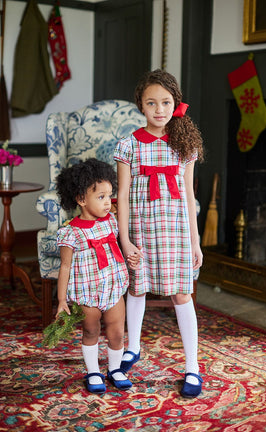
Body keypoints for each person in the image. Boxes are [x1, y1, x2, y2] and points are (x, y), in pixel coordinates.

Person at [114, 69, 204, 398]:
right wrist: (124, 240)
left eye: (166, 102)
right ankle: (132, 347)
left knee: (181, 294)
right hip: (140, 232)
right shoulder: (128, 145)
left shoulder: (184, 145)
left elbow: (190, 196)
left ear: (175, 104)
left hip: (176, 233)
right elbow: (121, 196)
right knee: (137, 290)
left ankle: (192, 366)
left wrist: (195, 242)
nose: (159, 109)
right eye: (151, 103)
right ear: (140, 105)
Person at [56, 158, 139, 394]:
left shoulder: (111, 222)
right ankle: (93, 371)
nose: (107, 202)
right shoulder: (69, 232)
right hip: (87, 292)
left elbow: (122, 247)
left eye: (109, 195)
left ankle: (115, 369)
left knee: (116, 331)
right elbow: (64, 266)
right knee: (91, 331)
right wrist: (62, 300)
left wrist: (131, 256)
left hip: (113, 288)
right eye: (100, 197)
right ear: (81, 199)